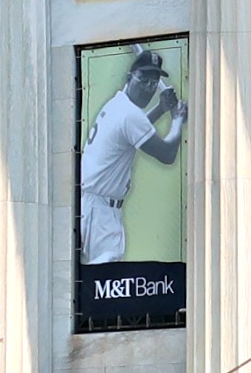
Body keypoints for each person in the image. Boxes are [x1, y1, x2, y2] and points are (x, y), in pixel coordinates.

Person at [80, 48, 187, 264]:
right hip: (100, 213)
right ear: (130, 77)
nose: (148, 87)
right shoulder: (129, 114)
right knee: (105, 283)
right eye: (143, 79)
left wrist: (161, 108)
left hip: (88, 206)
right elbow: (167, 154)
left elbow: (133, 133)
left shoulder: (118, 105)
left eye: (153, 81)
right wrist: (177, 119)